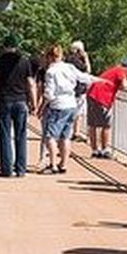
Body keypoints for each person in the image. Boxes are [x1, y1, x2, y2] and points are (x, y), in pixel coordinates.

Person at [37, 44, 103, 174]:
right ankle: (63, 164)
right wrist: (101, 80)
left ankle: (53, 164)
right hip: (71, 104)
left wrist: (41, 108)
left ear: (49, 57)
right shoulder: (69, 67)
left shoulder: (51, 71)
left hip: (58, 105)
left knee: (50, 136)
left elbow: (49, 94)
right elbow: (84, 77)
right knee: (65, 136)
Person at [0, 34, 37, 178]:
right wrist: (33, 103)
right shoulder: (24, 62)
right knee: (21, 135)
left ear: (4, 46)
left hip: (4, 101)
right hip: (21, 102)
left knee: (5, 136)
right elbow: (31, 84)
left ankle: (6, 169)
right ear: (17, 46)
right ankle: (21, 169)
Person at [86, 57, 127, 158]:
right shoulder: (121, 70)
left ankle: (95, 150)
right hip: (101, 97)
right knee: (106, 124)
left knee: (93, 124)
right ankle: (105, 150)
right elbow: (124, 85)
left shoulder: (114, 69)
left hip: (92, 94)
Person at [68, 40, 92, 143]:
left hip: (72, 89)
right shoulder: (76, 61)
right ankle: (75, 132)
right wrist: (86, 58)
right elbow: (88, 71)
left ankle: (75, 132)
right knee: (78, 112)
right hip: (78, 90)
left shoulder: (68, 59)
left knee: (77, 112)